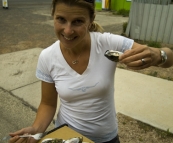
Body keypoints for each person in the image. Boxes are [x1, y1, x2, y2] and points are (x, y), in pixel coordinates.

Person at [8, 0, 173, 143]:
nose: (67, 31)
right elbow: (48, 104)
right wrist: (36, 130)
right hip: (66, 135)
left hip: (107, 138)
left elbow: (169, 58)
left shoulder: (107, 43)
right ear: (53, 15)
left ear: (91, 19)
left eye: (78, 21)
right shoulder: (47, 57)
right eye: (61, 19)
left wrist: (159, 55)